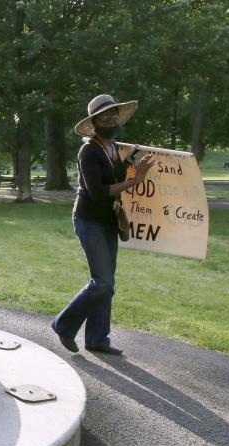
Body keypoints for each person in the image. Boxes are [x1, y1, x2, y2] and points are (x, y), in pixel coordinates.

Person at [51, 94, 155, 356]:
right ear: (94, 122)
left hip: (108, 220)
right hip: (89, 220)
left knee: (107, 283)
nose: (110, 119)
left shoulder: (112, 147)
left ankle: (98, 339)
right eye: (103, 116)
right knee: (103, 282)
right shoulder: (88, 151)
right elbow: (97, 191)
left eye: (113, 114)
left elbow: (114, 175)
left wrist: (130, 162)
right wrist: (136, 180)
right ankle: (63, 324)